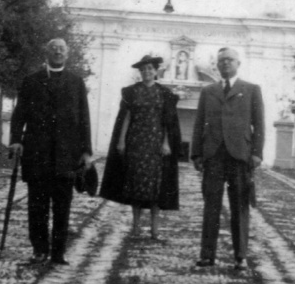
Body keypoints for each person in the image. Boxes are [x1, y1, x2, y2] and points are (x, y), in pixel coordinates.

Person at [9, 38, 93, 266]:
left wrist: (86, 151)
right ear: (46, 53)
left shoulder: (76, 83)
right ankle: (39, 250)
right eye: (53, 48)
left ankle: (58, 253)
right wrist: (16, 140)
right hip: (37, 155)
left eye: (62, 49)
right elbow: (19, 115)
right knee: (37, 207)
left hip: (66, 156)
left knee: (62, 207)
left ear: (67, 54)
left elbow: (84, 118)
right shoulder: (31, 81)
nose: (58, 52)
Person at [189, 45, 264, 270]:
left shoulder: (251, 90)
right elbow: (198, 122)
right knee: (211, 206)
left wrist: (257, 153)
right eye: (221, 61)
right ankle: (207, 255)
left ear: (238, 63)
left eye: (229, 60)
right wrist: (196, 153)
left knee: (240, 206)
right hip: (213, 155)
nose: (225, 64)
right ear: (217, 65)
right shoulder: (208, 91)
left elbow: (259, 124)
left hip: (240, 155)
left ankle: (240, 256)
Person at [99, 54, 181, 241]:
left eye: (150, 69)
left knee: (155, 188)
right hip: (136, 143)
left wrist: (166, 142)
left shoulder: (164, 94)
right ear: (140, 72)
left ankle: (154, 229)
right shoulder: (132, 92)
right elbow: (126, 117)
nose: (147, 72)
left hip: (155, 145)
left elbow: (167, 121)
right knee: (135, 185)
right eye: (143, 70)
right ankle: (135, 228)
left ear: (156, 71)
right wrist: (121, 141)